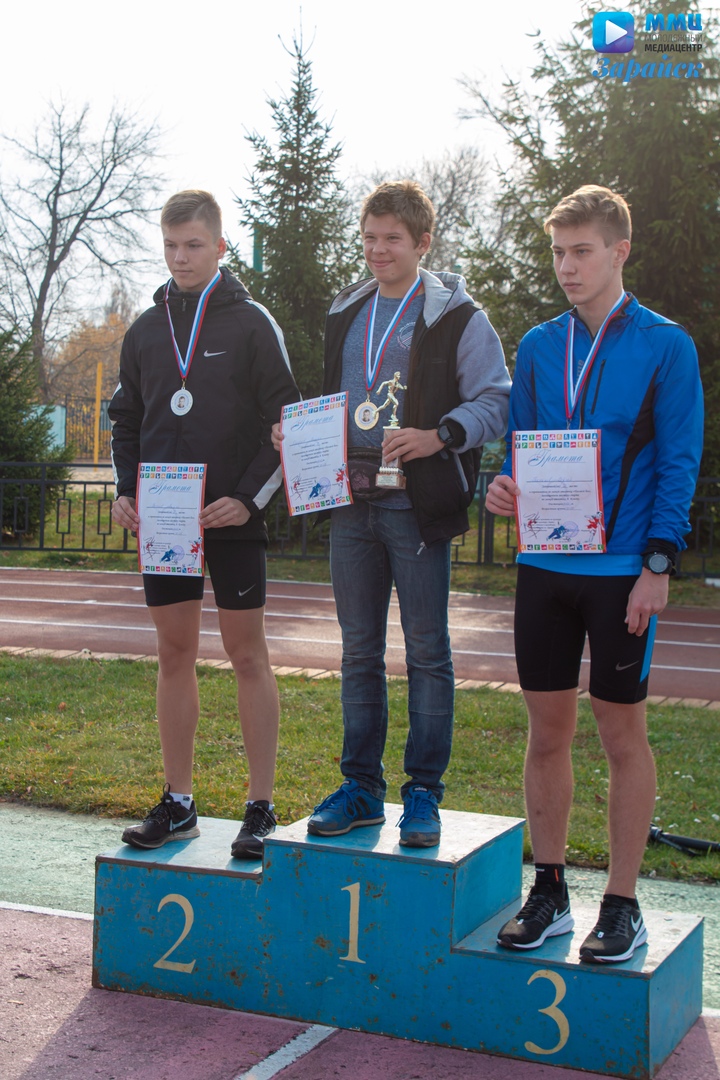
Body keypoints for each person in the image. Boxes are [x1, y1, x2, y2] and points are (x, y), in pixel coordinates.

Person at [486, 185, 703, 962]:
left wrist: (658, 564)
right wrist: (502, 487)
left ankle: (622, 902)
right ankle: (548, 889)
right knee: (547, 731)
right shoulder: (541, 345)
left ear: (620, 251)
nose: (567, 267)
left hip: (621, 574)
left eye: (581, 251)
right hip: (544, 564)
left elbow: (679, 462)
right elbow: (519, 446)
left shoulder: (666, 346)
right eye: (557, 252)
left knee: (621, 732)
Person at [276, 180, 510, 847]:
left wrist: (441, 434)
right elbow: (335, 403)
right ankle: (361, 788)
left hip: (417, 505)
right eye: (371, 237)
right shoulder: (346, 311)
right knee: (357, 651)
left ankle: (425, 795)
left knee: (429, 651)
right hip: (351, 504)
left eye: (394, 239)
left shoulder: (459, 316)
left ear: (423, 242)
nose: (379, 250)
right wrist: (299, 439)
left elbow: (496, 399)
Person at [109, 190, 299, 860]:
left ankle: (260, 805)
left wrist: (248, 498)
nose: (181, 257)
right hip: (164, 517)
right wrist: (124, 489)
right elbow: (125, 422)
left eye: (194, 245)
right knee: (174, 655)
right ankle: (180, 800)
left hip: (232, 517)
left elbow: (287, 422)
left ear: (220, 246)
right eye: (170, 245)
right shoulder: (143, 330)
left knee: (248, 655)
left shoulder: (251, 324)